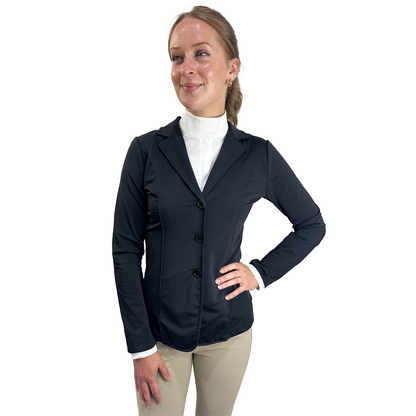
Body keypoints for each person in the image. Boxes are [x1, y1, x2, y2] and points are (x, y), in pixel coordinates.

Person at [112, 5, 326, 415]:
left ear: (232, 68)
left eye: (201, 54)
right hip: (160, 337)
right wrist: (140, 347)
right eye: (177, 57)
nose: (186, 68)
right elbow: (125, 251)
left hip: (229, 333)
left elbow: (311, 224)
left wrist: (259, 273)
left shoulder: (258, 156)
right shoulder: (145, 151)